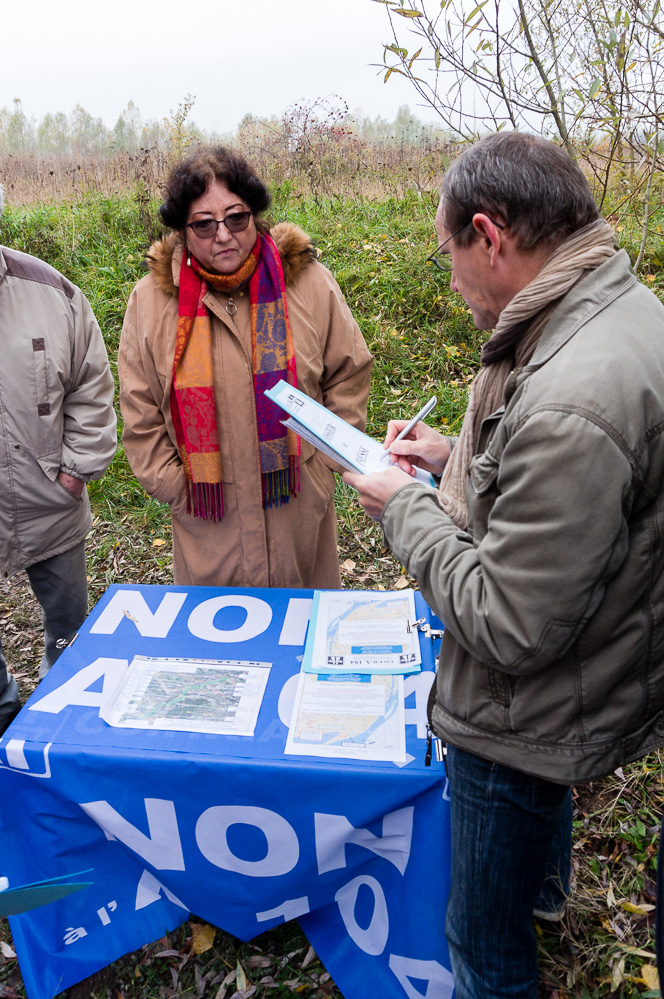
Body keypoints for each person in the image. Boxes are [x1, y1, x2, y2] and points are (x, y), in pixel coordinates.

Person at [343, 132, 664, 999]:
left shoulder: (571, 392)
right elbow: (567, 480)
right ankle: (547, 896)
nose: (450, 280)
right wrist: (462, 452)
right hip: (588, 668)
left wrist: (401, 505)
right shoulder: (618, 308)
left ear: (490, 236)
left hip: (526, 708)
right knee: (528, 850)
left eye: (450, 254)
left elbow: (510, 623)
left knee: (480, 945)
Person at [119, 147, 372, 589]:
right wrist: (175, 487)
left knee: (303, 637)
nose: (223, 235)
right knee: (222, 646)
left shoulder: (308, 283)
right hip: (207, 518)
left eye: (236, 218)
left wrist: (325, 464)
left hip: (297, 508)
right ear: (183, 229)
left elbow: (348, 372)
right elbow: (140, 412)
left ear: (254, 215)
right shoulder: (151, 303)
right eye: (204, 224)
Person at [0, 181, 117, 733]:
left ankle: (62, 719)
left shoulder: (53, 292)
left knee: (69, 624)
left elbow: (92, 385)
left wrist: (75, 470)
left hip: (51, 499)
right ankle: (4, 713)